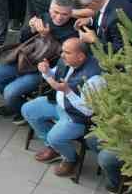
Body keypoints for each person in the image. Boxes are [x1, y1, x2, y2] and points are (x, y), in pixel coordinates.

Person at [20, 37, 101, 177]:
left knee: (55, 137)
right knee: (28, 109)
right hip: (58, 103)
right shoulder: (66, 60)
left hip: (77, 117)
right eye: (63, 51)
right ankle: (54, 148)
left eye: (67, 52)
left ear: (80, 56)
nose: (62, 55)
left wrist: (68, 92)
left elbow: (88, 111)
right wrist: (46, 72)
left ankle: (71, 159)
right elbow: (55, 75)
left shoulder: (94, 78)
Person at [0, 0, 76, 119]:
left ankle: (20, 108)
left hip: (43, 71)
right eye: (55, 12)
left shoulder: (73, 30)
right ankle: (20, 107)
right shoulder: (44, 17)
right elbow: (23, 39)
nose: (59, 17)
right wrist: (30, 28)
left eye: (65, 14)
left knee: (10, 91)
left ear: (71, 13)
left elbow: (64, 59)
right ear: (50, 9)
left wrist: (47, 36)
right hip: (24, 60)